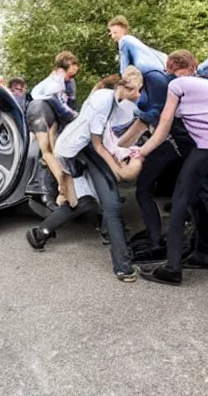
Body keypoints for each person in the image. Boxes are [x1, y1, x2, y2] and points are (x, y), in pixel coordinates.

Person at [133, 50, 208, 285]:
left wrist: (139, 151)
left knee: (180, 200)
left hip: (205, 149)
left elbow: (162, 129)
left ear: (171, 66)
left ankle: (172, 268)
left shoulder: (177, 85)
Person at [53, 66, 144, 282]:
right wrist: (117, 170)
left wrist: (127, 153)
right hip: (79, 150)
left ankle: (42, 232)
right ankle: (122, 266)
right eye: (138, 90)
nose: (139, 95)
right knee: (111, 203)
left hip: (82, 149)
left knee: (87, 202)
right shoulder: (104, 101)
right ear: (127, 87)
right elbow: (98, 144)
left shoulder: (114, 102)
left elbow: (109, 139)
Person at [26, 51, 79, 207]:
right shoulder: (56, 81)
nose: (73, 73)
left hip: (49, 113)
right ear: (65, 66)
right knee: (47, 151)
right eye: (72, 68)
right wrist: (77, 117)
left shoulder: (65, 81)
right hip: (40, 110)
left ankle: (60, 190)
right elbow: (62, 107)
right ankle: (60, 186)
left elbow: (65, 105)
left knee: (53, 152)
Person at [108, 16, 169, 145]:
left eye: (115, 32)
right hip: (159, 75)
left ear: (124, 29)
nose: (113, 36)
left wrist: (122, 85)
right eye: (111, 33)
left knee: (153, 111)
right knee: (146, 105)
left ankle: (131, 141)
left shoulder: (124, 41)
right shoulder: (138, 44)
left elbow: (124, 69)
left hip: (150, 75)